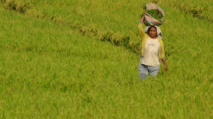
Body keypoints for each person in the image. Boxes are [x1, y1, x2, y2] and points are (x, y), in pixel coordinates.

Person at [138, 11, 168, 80]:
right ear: (148, 31)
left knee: (151, 83)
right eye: (150, 31)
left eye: (154, 31)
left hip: (155, 67)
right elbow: (140, 28)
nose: (152, 32)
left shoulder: (159, 41)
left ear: (156, 32)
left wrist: (165, 64)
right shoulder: (145, 37)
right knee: (141, 83)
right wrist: (142, 20)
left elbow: (162, 54)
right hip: (143, 65)